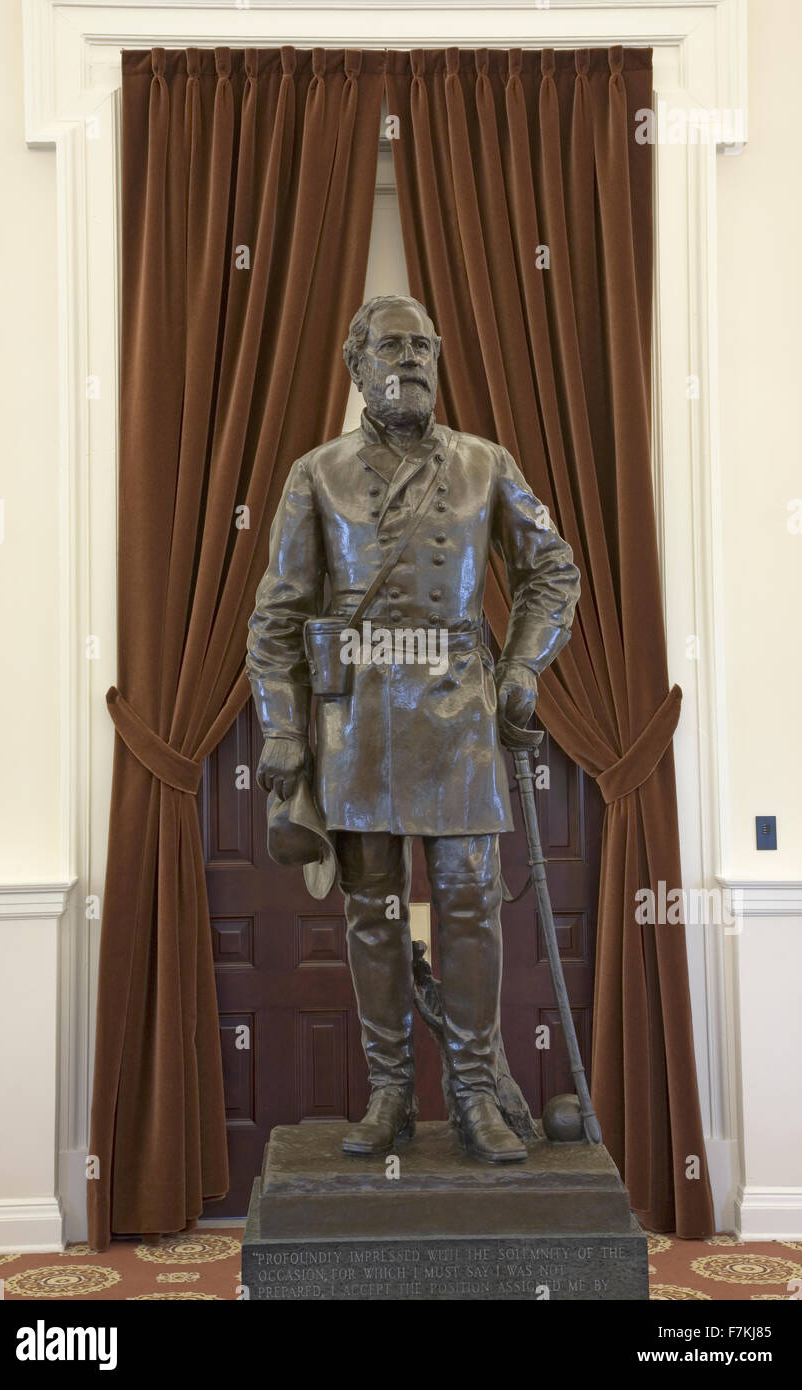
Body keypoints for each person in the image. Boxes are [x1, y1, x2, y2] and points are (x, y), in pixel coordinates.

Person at [247, 295, 580, 1162]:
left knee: (471, 907)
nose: (413, 360)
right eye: (393, 346)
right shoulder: (315, 474)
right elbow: (276, 616)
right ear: (356, 367)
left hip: (460, 720)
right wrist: (282, 726)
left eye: (423, 346)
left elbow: (553, 569)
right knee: (372, 914)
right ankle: (391, 1092)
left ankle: (475, 1093)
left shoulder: (484, 464)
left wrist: (521, 667)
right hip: (355, 723)